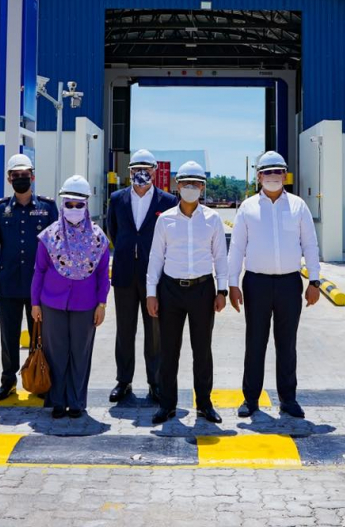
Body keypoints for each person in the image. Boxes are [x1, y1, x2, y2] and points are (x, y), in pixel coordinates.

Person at [227, 150, 321, 418]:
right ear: (258, 177)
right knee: (255, 343)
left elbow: (310, 245)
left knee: (287, 344)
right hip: (256, 283)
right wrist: (232, 284)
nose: (272, 177)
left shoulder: (298, 206)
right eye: (267, 172)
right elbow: (236, 248)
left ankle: (288, 399)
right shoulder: (247, 208)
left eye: (277, 172)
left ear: (285, 175)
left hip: (290, 284)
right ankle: (250, 399)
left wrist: (314, 280)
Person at [146, 161, 229, 425]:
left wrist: (223, 290)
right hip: (170, 289)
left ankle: (204, 404)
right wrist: (151, 293)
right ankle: (167, 405)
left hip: (203, 290)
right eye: (185, 183)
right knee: (169, 350)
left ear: (203, 187)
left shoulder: (213, 219)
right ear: (176, 186)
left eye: (195, 183)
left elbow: (220, 256)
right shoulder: (166, 220)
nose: (190, 188)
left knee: (202, 350)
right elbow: (156, 257)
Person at [30, 175, 111, 418]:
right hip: (52, 303)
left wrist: (102, 304)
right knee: (56, 353)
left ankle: (76, 402)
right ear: (62, 204)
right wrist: (35, 303)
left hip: (86, 305)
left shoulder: (99, 238)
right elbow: (39, 271)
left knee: (80, 353)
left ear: (87, 205)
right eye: (69, 204)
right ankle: (56, 401)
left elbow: (102, 276)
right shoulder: (48, 236)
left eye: (79, 205)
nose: (74, 210)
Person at [105, 148, 177, 404]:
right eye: (137, 169)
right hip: (124, 273)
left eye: (146, 169)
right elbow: (112, 228)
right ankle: (123, 381)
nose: (141, 174)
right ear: (130, 172)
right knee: (125, 330)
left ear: (155, 172)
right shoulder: (117, 199)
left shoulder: (167, 202)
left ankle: (155, 382)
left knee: (155, 331)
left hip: (155, 276)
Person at [0, 153, 58, 401]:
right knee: (8, 336)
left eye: (24, 175)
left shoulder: (47, 208)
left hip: (38, 286)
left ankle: (39, 378)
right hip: (8, 282)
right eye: (16, 176)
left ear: (33, 176)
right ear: (9, 179)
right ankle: (8, 381)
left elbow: (55, 247)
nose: (21, 179)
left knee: (39, 334)